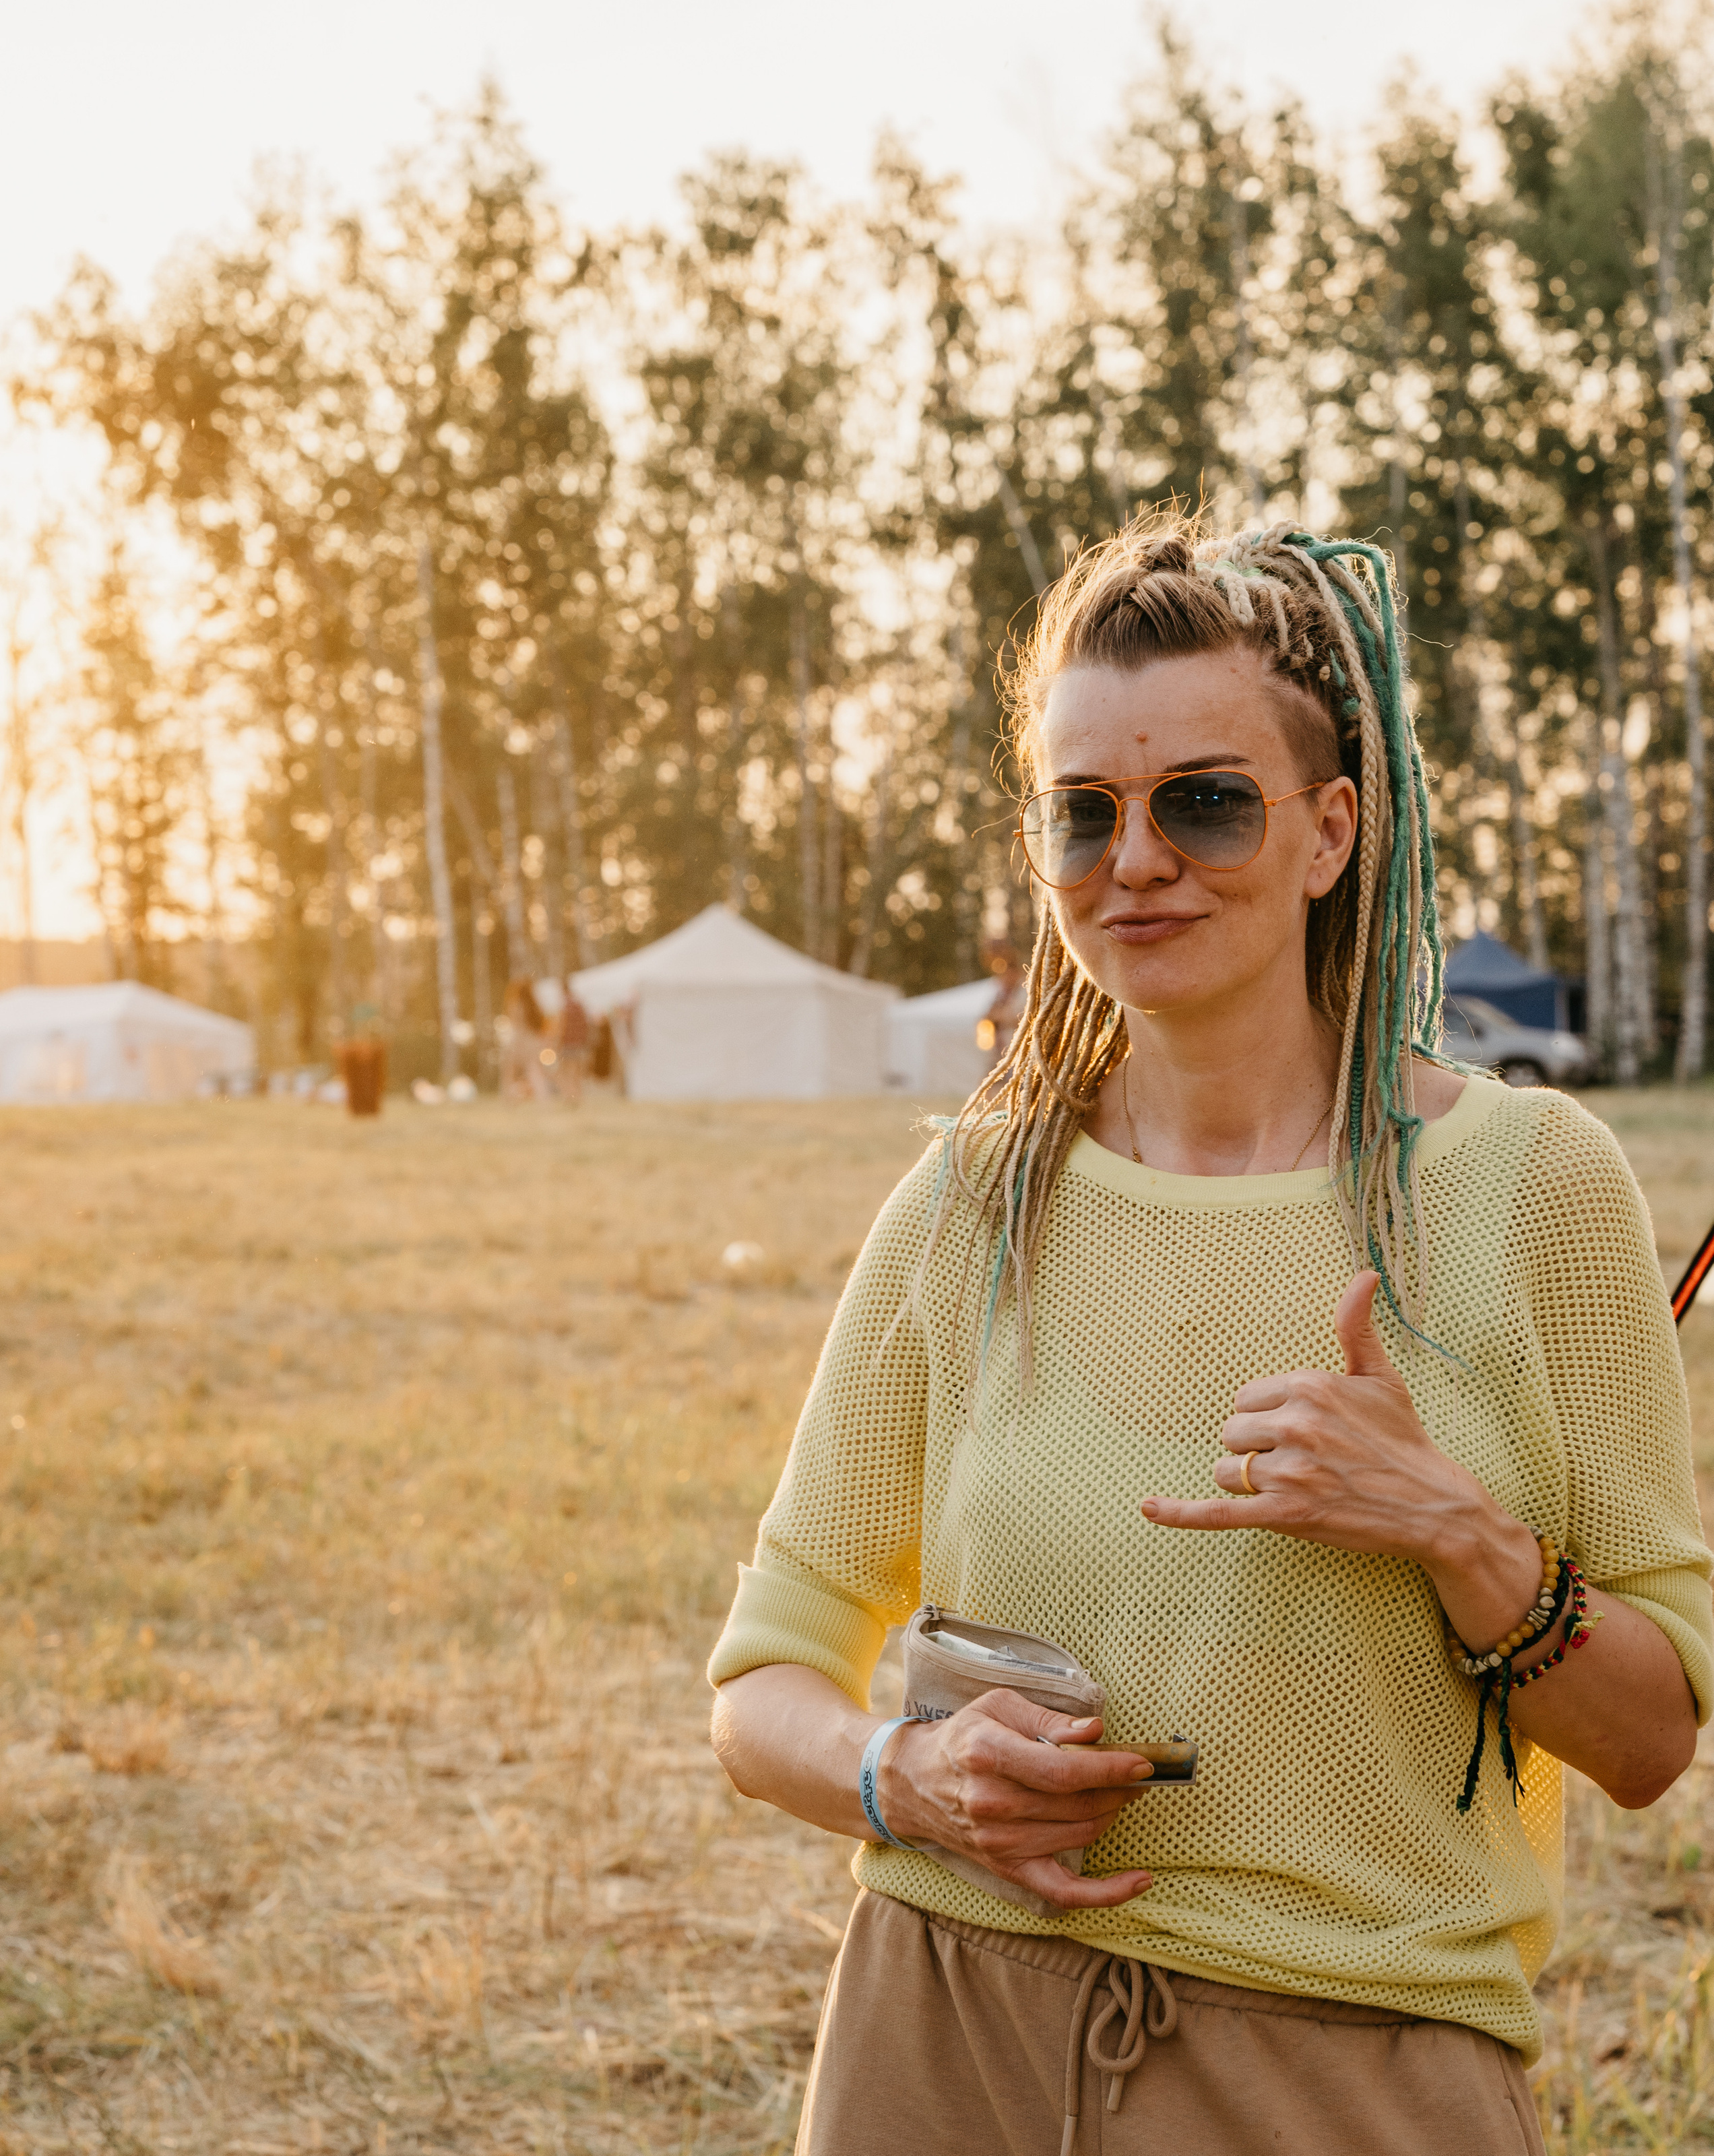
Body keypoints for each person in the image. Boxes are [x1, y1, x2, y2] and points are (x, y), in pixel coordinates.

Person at [707, 516, 1711, 2155]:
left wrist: (1452, 1529)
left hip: (1348, 2067)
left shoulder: (1530, 1184)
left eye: (1203, 800)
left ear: (1328, 832)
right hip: (936, 2033)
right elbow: (761, 1688)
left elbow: (1651, 1735)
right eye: (1079, 813)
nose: (1137, 860)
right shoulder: (970, 1199)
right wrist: (906, 1770)